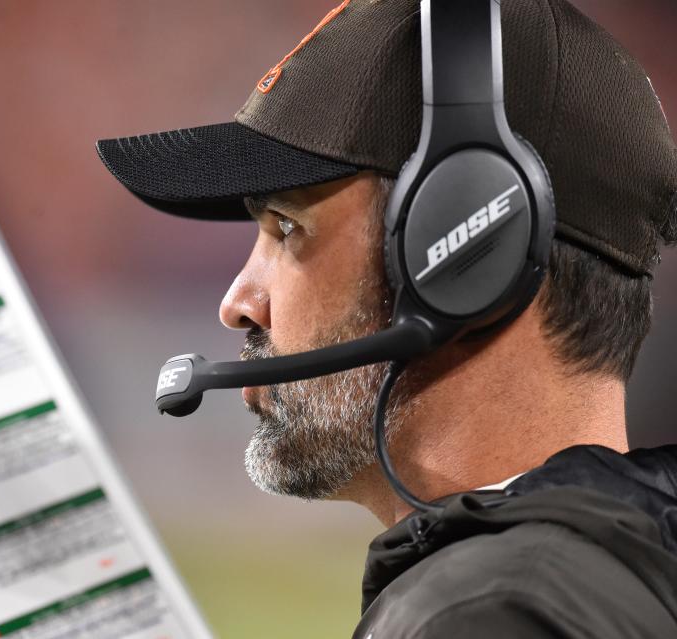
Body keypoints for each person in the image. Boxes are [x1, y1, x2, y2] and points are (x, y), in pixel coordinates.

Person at [97, 0, 677, 636]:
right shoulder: (618, 568)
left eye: (287, 227)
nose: (238, 302)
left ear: (459, 254)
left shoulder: (487, 615)